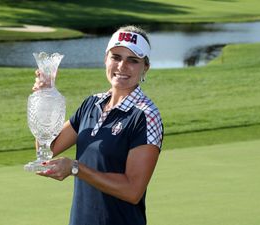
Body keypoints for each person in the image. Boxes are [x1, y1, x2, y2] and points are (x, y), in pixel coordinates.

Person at [34, 25, 164, 225]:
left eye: (133, 60)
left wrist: (76, 168)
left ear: (145, 67)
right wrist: (45, 99)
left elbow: (132, 191)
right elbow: (48, 149)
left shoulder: (145, 116)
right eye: (116, 57)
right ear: (106, 59)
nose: (122, 66)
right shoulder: (91, 105)